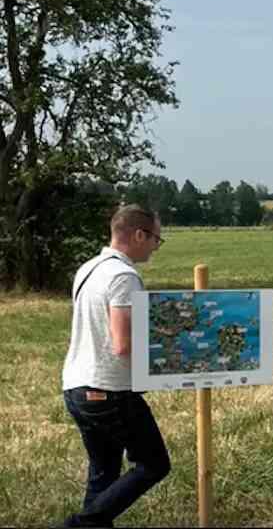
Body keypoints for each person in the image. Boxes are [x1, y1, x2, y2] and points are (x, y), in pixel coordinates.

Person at [60, 205, 170, 527]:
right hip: (109, 390)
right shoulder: (123, 276)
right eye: (156, 239)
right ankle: (78, 525)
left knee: (104, 473)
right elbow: (123, 343)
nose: (155, 247)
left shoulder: (88, 269)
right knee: (153, 464)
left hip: (77, 387)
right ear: (139, 235)